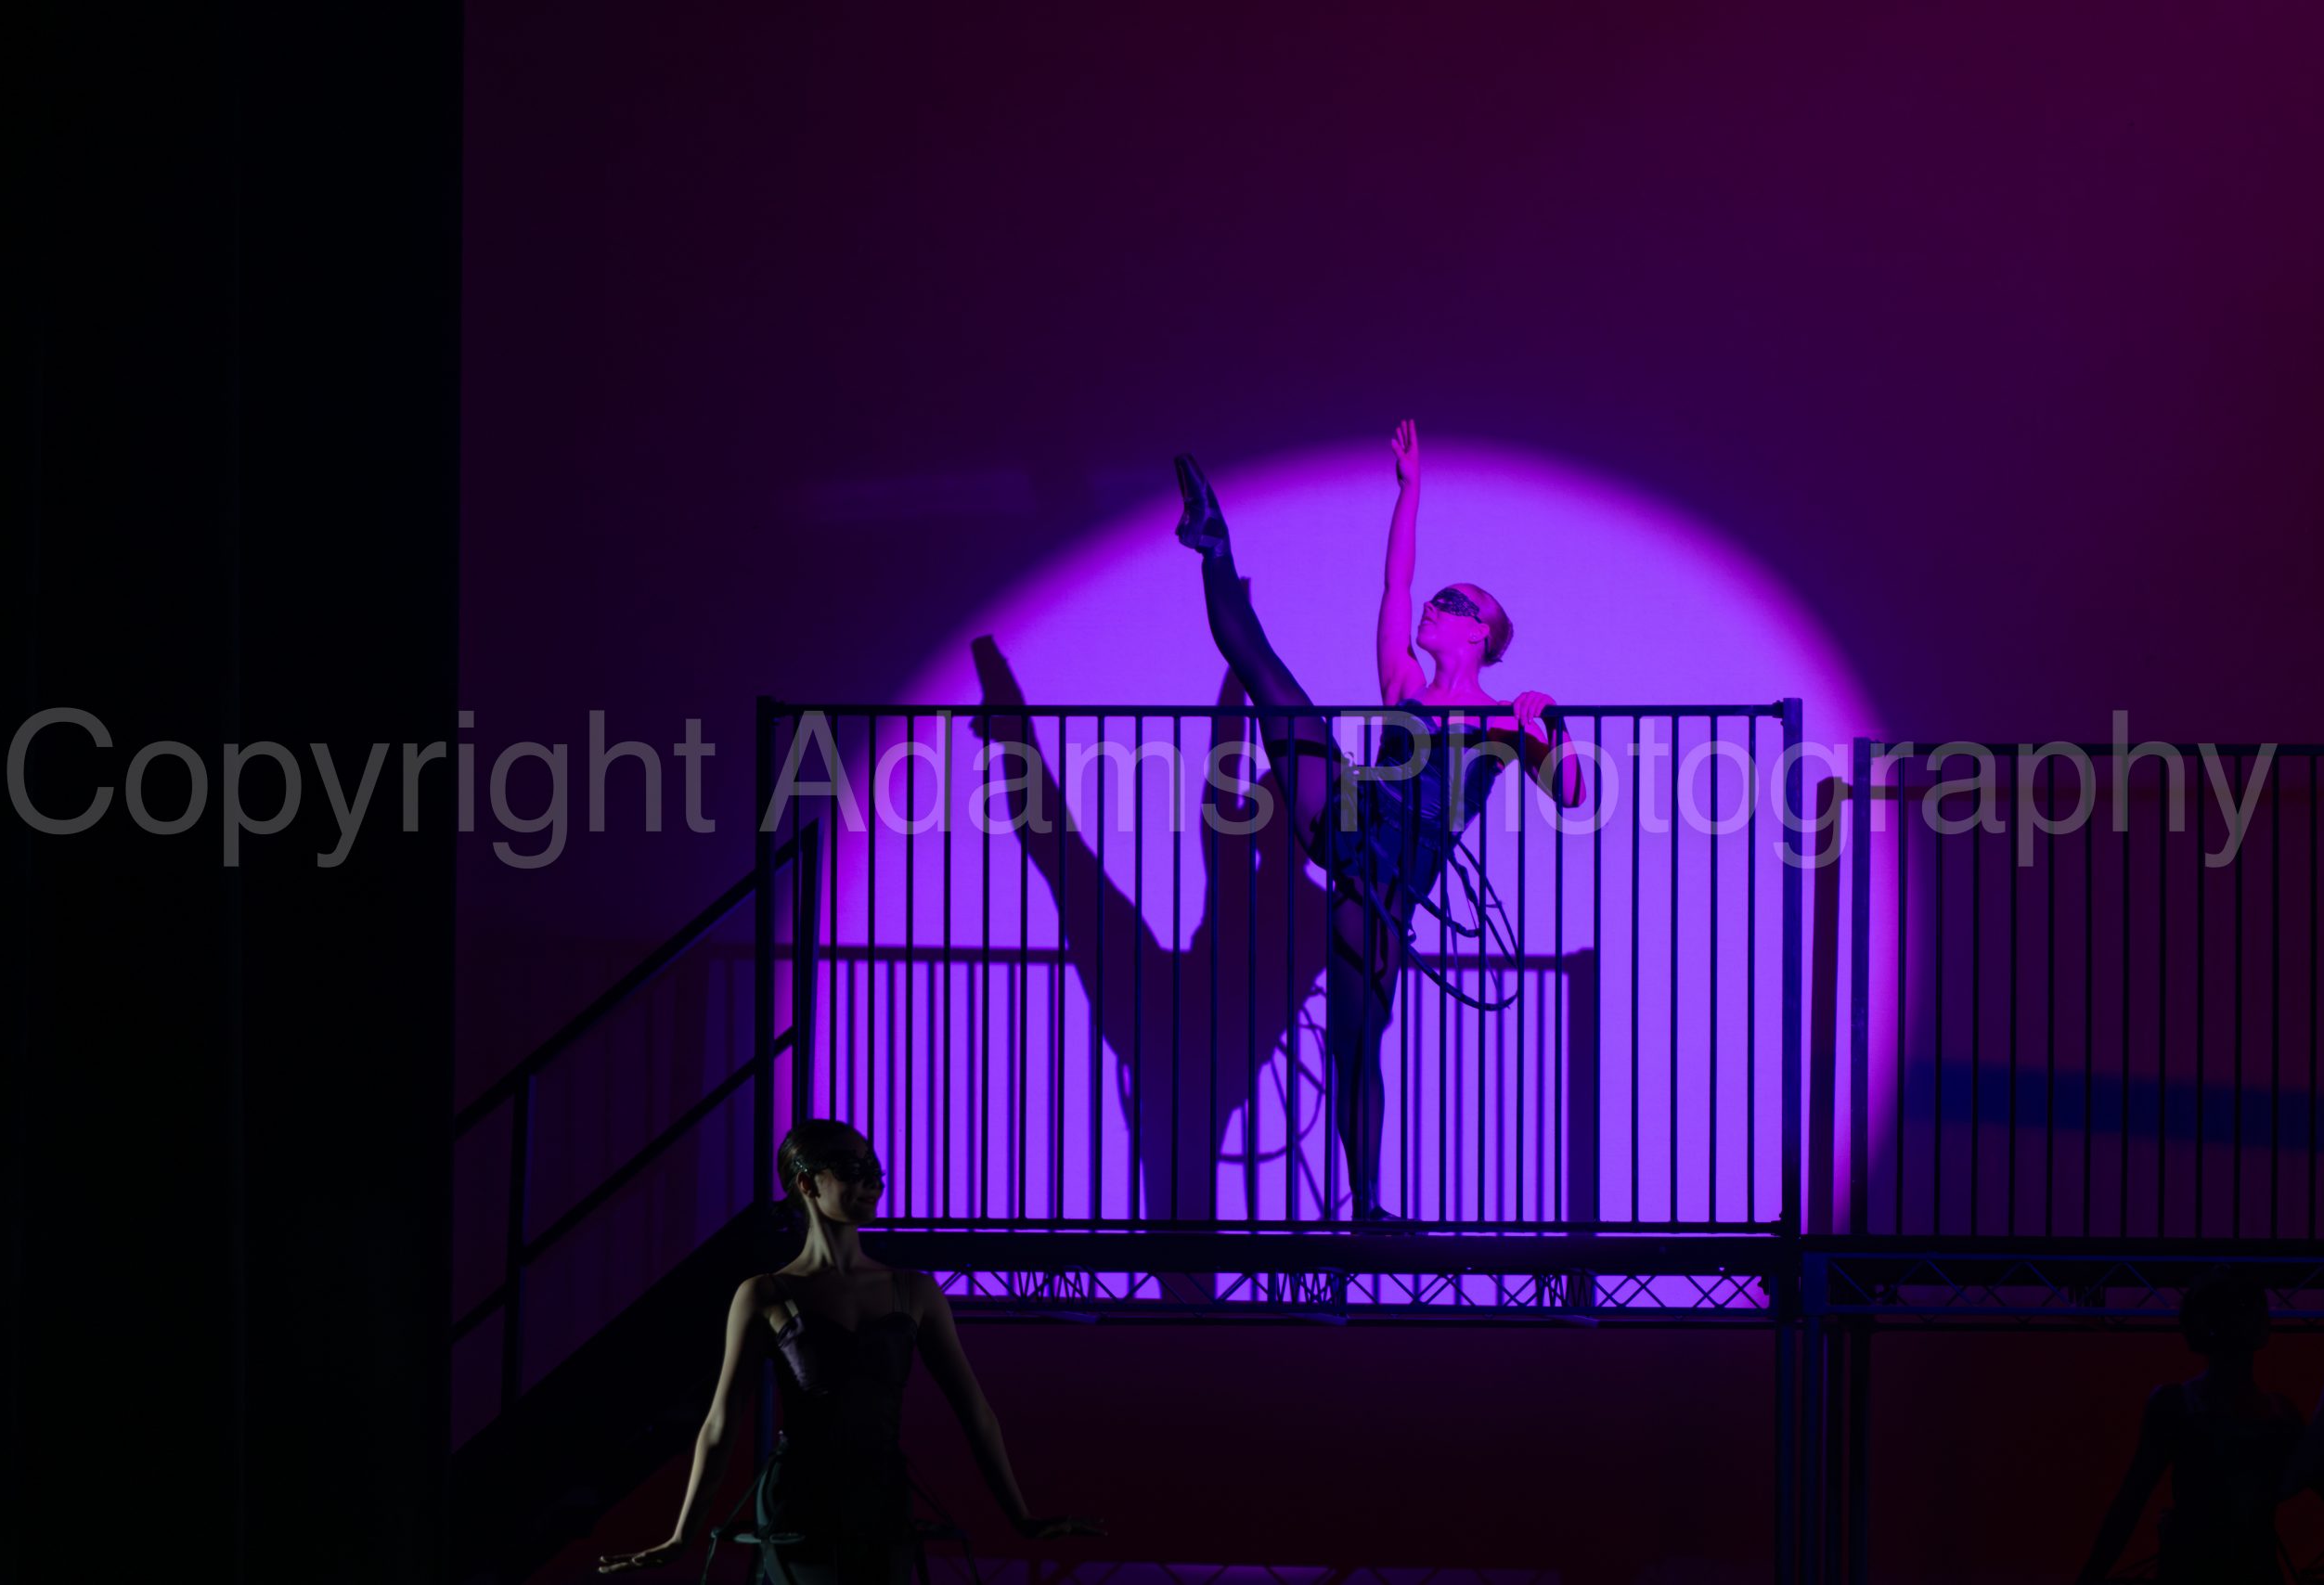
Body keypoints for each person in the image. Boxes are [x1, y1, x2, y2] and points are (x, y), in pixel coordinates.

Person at [1174, 419, 1584, 1220]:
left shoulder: (1505, 720)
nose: (1433, 606)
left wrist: (1554, 723)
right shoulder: (1402, 685)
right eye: (1438, 599)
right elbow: (1396, 585)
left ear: (1481, 632)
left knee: (1356, 1041)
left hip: (1389, 881)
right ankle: (1213, 545)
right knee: (1268, 676)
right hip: (1347, 811)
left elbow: (1571, 793)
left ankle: (1366, 1205)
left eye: (1452, 604)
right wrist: (1411, 491)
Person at [597, 1119, 1103, 1582]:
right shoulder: (764, 1294)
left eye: (873, 1169)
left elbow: (975, 1412)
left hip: (883, 1495)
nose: (871, 1182)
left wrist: (1021, 1517)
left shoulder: (916, 1291)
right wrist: (682, 1536)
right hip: (798, 1500)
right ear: (806, 1183)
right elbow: (720, 1423)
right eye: (850, 1169)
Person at [2075, 1270, 2309, 1584]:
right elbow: (2130, 1501)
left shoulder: (2180, 1404)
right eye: (2245, 1308)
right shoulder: (2278, 1413)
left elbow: (2130, 1500)